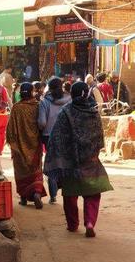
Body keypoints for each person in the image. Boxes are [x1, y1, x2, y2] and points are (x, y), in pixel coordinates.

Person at [44, 82, 113, 237]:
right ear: (87, 93)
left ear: (72, 94)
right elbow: (99, 138)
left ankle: (73, 225)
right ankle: (89, 222)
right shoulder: (93, 112)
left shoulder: (65, 112)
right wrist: (93, 152)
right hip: (90, 160)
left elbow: (56, 138)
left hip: (70, 163)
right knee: (93, 194)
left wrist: (58, 159)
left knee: (70, 195)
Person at [7, 82, 47, 209]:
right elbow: (42, 124)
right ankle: (36, 192)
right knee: (35, 170)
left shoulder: (16, 108)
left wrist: (13, 144)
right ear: (31, 92)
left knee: (21, 172)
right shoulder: (37, 106)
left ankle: (24, 198)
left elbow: (10, 130)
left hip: (19, 147)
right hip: (35, 146)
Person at [38, 77, 71, 204]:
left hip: (48, 136)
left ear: (49, 88)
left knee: (52, 163)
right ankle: (66, 189)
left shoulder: (44, 102)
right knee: (65, 161)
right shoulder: (69, 100)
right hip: (66, 135)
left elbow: (42, 122)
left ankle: (53, 195)